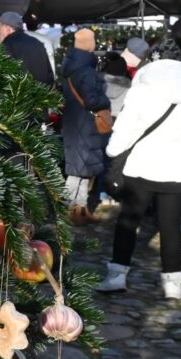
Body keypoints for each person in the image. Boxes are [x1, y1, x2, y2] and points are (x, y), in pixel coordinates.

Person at [95, 56, 181, 300]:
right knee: (171, 227)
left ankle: (117, 276)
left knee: (128, 222)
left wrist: (113, 152)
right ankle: (172, 283)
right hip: (178, 168)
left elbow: (125, 128)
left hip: (142, 167)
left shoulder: (141, 91)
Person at [61, 28, 110, 225]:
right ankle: (67, 209)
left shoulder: (70, 66)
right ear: (89, 43)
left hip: (75, 122)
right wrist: (104, 99)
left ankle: (80, 210)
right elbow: (91, 101)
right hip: (85, 123)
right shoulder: (87, 71)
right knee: (76, 172)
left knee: (80, 169)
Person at [0, 11, 54, 85]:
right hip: (40, 94)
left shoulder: (7, 44)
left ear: (7, 28)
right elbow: (50, 76)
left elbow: (4, 76)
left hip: (19, 95)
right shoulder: (38, 43)